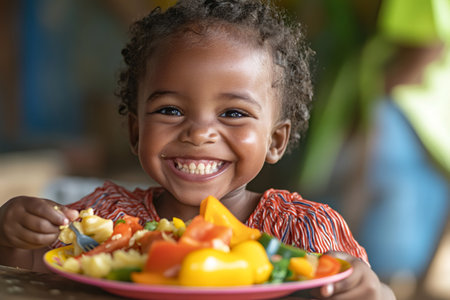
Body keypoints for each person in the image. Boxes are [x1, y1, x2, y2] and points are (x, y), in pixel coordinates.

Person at [0, 0, 395, 299]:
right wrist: (15, 237)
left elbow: (356, 285)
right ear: (136, 131)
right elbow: (35, 277)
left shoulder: (304, 232)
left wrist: (372, 289)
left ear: (275, 140)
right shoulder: (104, 218)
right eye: (170, 110)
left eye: (233, 113)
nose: (200, 132)